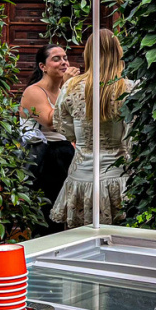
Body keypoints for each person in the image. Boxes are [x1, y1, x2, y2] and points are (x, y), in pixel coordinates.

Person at [51, 29, 135, 228]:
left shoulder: (71, 86)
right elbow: (132, 137)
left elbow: (63, 126)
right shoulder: (128, 88)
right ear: (118, 52)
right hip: (117, 176)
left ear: (87, 53)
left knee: (79, 238)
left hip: (80, 174)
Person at [19, 44, 79, 233]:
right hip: (45, 160)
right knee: (48, 217)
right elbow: (51, 121)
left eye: (65, 58)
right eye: (56, 58)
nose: (64, 62)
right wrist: (67, 88)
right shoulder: (34, 91)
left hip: (66, 155)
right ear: (42, 66)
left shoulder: (63, 91)